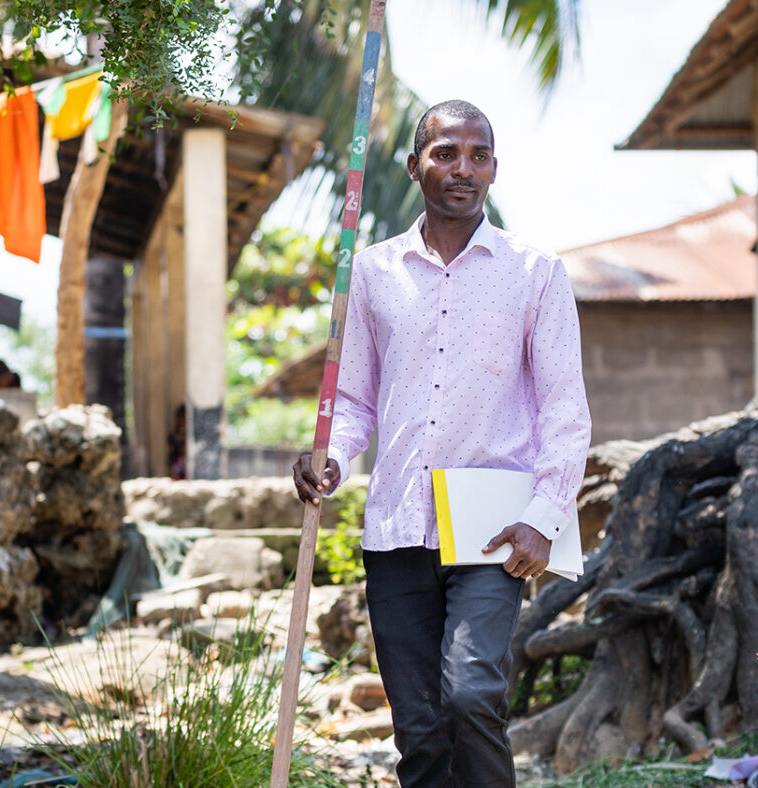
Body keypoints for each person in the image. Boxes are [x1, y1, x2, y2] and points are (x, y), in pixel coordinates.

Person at [292, 100, 590, 788]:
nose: (463, 168)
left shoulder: (535, 272)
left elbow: (564, 408)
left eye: (478, 155)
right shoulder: (372, 272)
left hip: (493, 527)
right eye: (446, 153)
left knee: (472, 692)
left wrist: (546, 516)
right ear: (414, 165)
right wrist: (330, 456)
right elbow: (355, 399)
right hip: (396, 525)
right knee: (420, 730)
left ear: (494, 168)